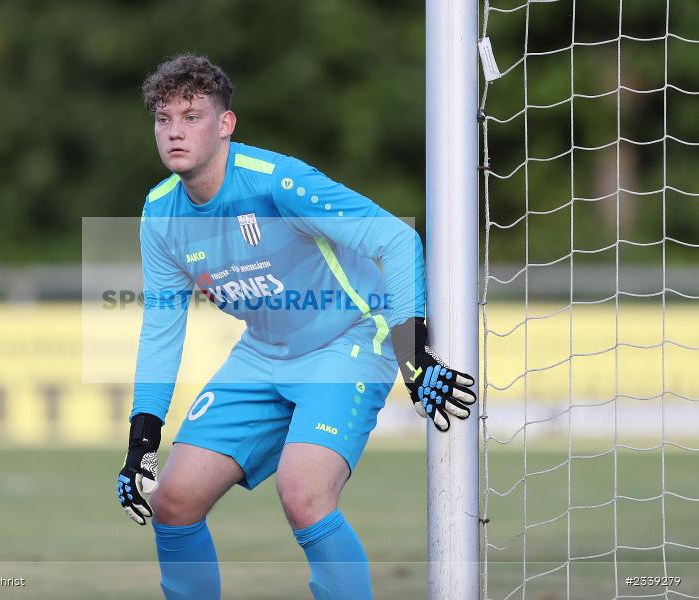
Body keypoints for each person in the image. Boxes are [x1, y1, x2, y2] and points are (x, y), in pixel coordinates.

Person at [115, 54, 476, 600]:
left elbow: (395, 240)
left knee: (304, 494)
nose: (174, 132)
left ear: (226, 125)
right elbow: (162, 327)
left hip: (348, 339)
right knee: (173, 500)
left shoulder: (279, 182)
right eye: (164, 120)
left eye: (192, 117)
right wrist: (142, 438)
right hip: (263, 353)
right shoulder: (160, 214)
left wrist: (414, 356)